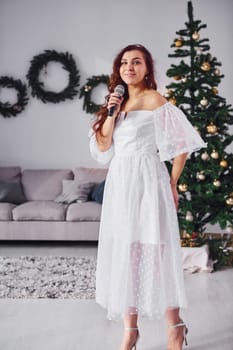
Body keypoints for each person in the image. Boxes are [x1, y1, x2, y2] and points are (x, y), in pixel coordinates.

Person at [89, 44, 206, 350]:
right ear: (119, 69)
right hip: (121, 184)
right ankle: (131, 330)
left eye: (136, 62)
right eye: (125, 62)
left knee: (158, 251)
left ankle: (175, 327)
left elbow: (182, 144)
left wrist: (172, 182)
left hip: (149, 181)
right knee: (127, 253)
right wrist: (112, 113)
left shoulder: (155, 100)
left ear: (146, 68)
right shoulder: (115, 103)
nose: (130, 67)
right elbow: (102, 148)